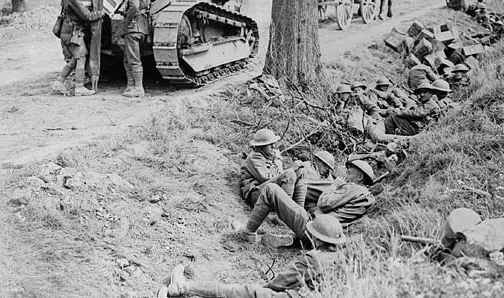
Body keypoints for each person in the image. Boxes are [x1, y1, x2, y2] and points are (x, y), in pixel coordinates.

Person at [158, 215, 346, 298]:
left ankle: (182, 287)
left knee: (239, 292)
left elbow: (281, 282)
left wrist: (263, 290)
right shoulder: (341, 259)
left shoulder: (314, 257)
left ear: (316, 237)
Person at [232, 159, 375, 248]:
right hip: (326, 236)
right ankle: (294, 240)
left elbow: (324, 203)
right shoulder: (366, 196)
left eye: (349, 173)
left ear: (360, 177)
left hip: (314, 228)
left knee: (271, 189)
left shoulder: (353, 188)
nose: (345, 176)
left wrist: (333, 187)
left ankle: (248, 233)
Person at [50, 0, 104, 96]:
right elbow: (87, 16)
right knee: (81, 57)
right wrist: (101, 13)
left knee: (75, 58)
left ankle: (59, 82)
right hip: (73, 32)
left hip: (66, 31)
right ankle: (79, 87)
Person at [240, 128, 307, 208]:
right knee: (289, 174)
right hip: (255, 194)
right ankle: (286, 212)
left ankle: (299, 211)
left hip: (267, 190)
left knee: (301, 171)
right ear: (261, 147)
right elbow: (266, 178)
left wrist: (278, 161)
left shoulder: (269, 156)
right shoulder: (255, 157)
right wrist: (291, 169)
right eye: (270, 144)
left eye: (273, 143)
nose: (273, 146)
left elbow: (278, 174)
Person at [384, 80, 452, 136]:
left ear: (431, 93)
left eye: (425, 92)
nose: (421, 95)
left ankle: (389, 138)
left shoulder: (431, 103)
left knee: (392, 116)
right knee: (394, 115)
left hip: (420, 130)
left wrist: (399, 112)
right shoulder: (425, 102)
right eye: (420, 93)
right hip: (419, 127)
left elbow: (417, 114)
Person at [122, 0, 151, 98]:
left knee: (133, 59)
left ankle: (138, 88)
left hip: (133, 29)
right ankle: (131, 86)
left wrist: (128, 20)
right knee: (128, 58)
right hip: (143, 29)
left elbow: (134, 7)